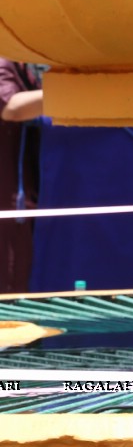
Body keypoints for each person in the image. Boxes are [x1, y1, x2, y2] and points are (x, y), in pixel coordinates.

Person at [0, 58, 44, 293]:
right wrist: (76, 92)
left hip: (25, 192)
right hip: (7, 200)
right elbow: (11, 107)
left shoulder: (22, 60)